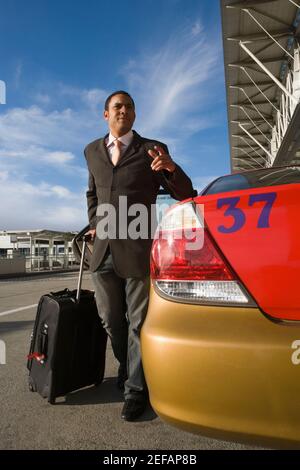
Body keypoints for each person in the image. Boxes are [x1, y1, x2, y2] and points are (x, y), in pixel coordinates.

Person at [84, 90, 195, 421]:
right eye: (118, 106)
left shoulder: (152, 149)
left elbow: (186, 193)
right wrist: (94, 223)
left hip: (137, 247)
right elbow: (92, 192)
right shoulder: (91, 151)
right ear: (106, 114)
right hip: (102, 247)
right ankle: (128, 366)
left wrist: (172, 169)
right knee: (111, 321)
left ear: (134, 114)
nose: (124, 110)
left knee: (138, 324)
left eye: (129, 106)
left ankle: (135, 389)